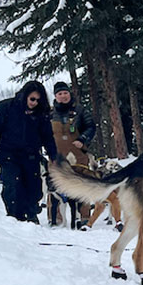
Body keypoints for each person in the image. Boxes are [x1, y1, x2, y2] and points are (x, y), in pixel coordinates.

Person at [0, 81, 58, 222]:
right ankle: (15, 217)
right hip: (9, 154)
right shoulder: (6, 107)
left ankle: (31, 213)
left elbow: (47, 136)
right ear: (25, 95)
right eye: (32, 99)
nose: (35, 103)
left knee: (33, 187)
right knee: (12, 185)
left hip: (31, 155)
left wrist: (53, 155)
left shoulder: (41, 113)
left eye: (38, 100)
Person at [48, 81, 97, 227]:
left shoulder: (80, 110)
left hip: (78, 154)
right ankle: (55, 219)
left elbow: (91, 127)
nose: (63, 96)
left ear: (70, 94)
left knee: (82, 184)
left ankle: (85, 217)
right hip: (56, 155)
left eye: (65, 93)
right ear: (55, 96)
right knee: (54, 185)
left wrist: (83, 139)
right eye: (60, 94)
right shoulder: (49, 113)